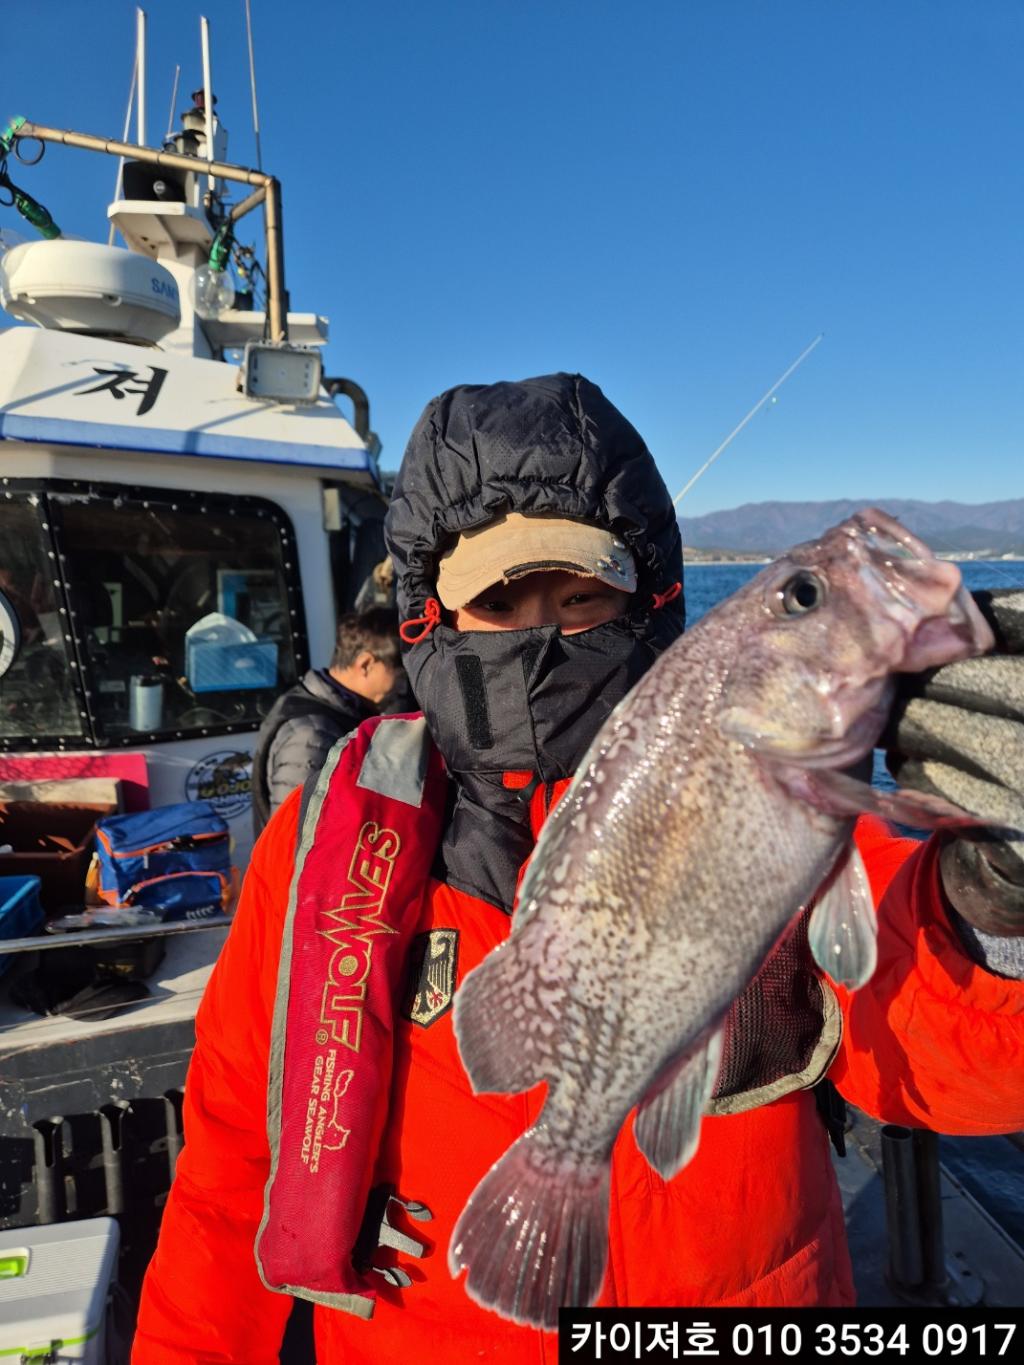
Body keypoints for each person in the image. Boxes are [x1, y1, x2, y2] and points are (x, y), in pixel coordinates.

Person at [134, 374, 1024, 1362]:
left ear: (648, 601)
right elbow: (229, 1157)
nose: (543, 627)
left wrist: (999, 902)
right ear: (434, 616)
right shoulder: (322, 838)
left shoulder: (791, 794)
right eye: (499, 598)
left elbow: (946, 1062)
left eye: (581, 593)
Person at [251, 607, 402, 836]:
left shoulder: (331, 710)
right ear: (366, 664)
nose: (402, 686)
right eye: (400, 673)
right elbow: (293, 840)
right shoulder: (312, 735)